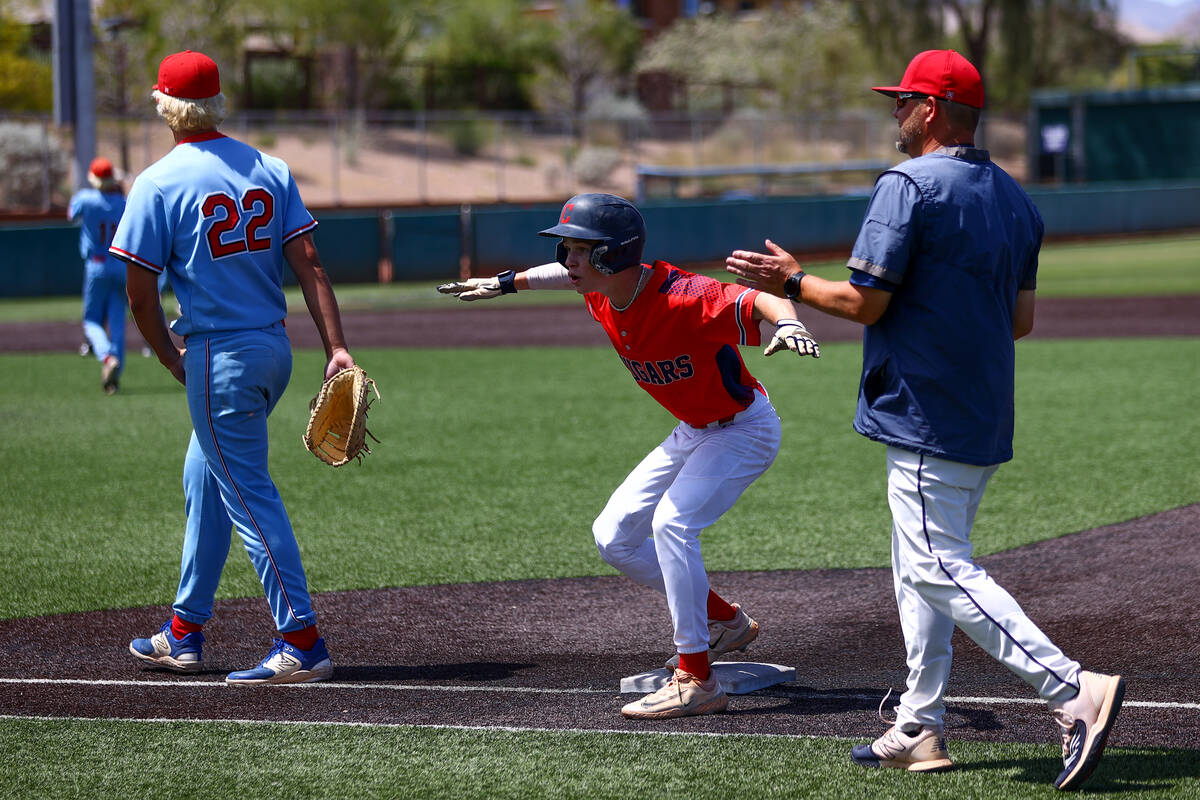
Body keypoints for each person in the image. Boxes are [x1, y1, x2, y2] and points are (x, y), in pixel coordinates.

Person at [725, 49, 1124, 790]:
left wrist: (791, 281)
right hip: (979, 407)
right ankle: (919, 724)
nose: (894, 112)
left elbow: (862, 303)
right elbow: (1021, 321)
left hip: (923, 409)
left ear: (933, 109)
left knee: (938, 567)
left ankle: (1072, 690)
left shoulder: (907, 185)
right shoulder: (1016, 200)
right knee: (922, 570)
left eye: (903, 99)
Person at [438, 193, 820, 719]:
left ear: (613, 255)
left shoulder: (682, 295)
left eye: (579, 249)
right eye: (566, 248)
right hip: (692, 430)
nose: (568, 259)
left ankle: (696, 677)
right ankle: (727, 622)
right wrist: (503, 283)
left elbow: (756, 302)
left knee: (673, 525)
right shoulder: (600, 290)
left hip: (743, 431)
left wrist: (790, 322)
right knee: (614, 537)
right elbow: (553, 274)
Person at [111, 50, 355, 686]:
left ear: (165, 105)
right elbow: (310, 263)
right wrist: (337, 347)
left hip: (219, 358)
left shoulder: (159, 182)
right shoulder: (268, 167)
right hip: (273, 350)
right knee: (206, 478)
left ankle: (301, 639)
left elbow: (138, 293)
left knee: (248, 495)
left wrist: (168, 356)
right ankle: (184, 632)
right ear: (217, 102)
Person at [68, 157, 127, 393]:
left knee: (92, 319)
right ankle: (115, 375)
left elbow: (72, 215)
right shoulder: (122, 202)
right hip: (120, 265)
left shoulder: (85, 199)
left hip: (97, 264)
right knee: (116, 319)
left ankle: (106, 357)